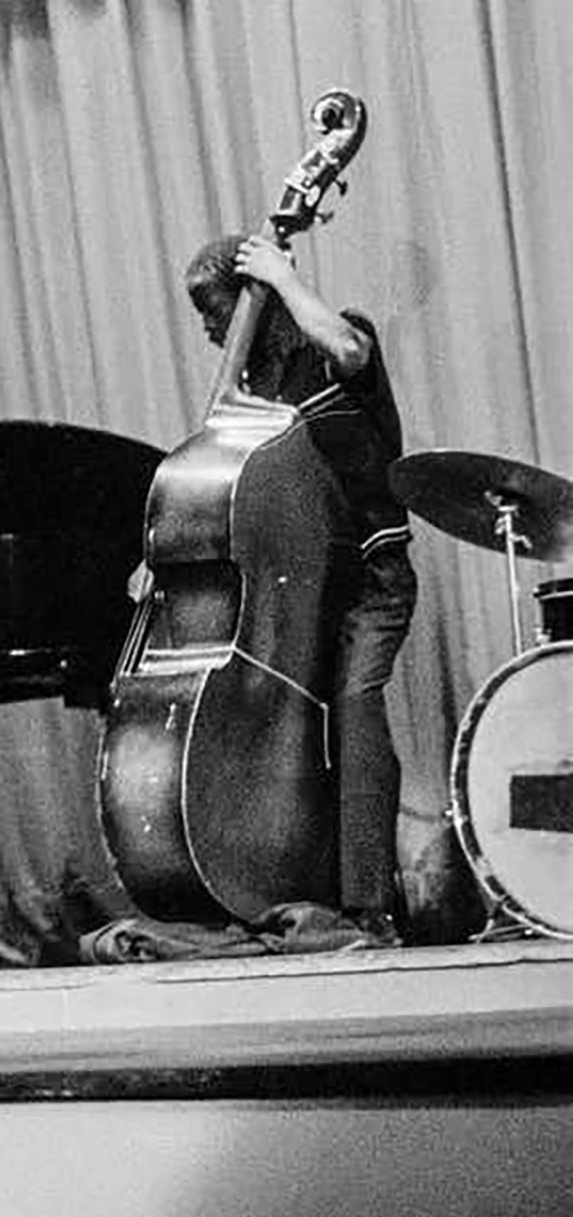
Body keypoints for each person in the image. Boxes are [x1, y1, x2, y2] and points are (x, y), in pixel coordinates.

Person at [182, 233, 415, 947]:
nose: (211, 329)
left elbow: (349, 349)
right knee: (291, 734)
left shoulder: (330, 346)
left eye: (215, 311)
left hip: (372, 577)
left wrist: (280, 277)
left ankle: (371, 904)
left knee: (354, 706)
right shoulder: (249, 397)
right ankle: (290, 889)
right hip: (296, 597)